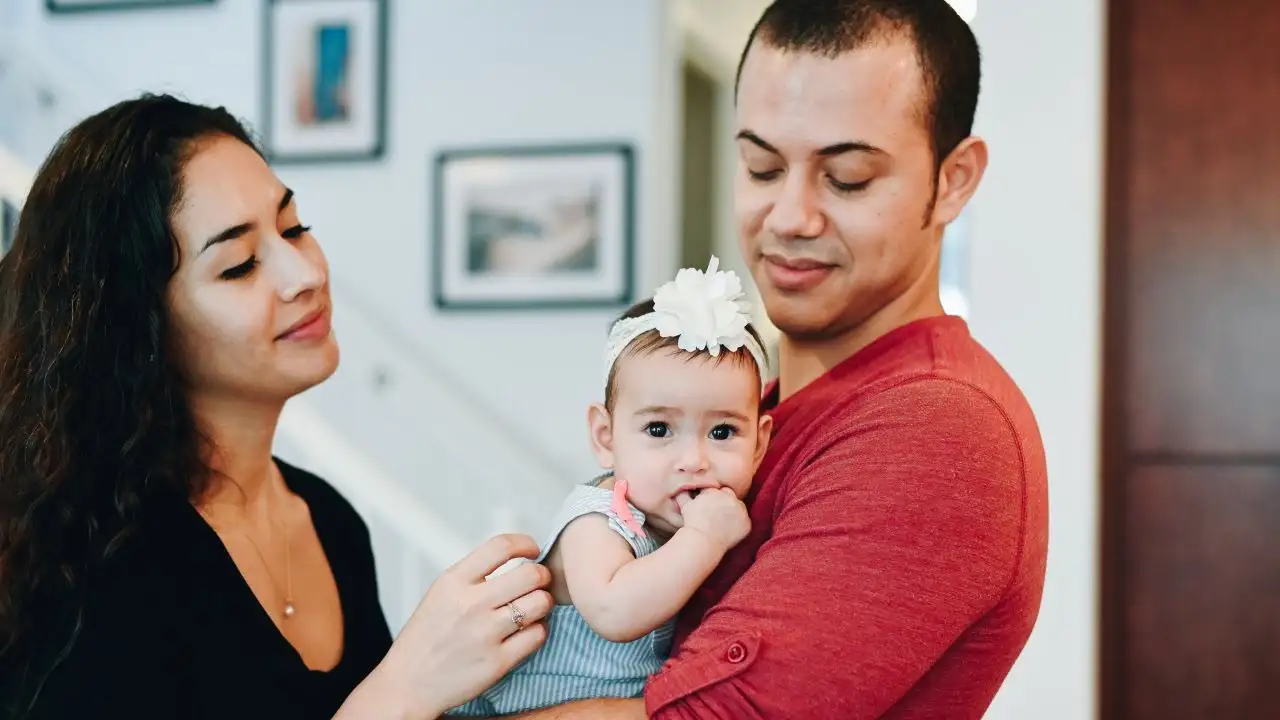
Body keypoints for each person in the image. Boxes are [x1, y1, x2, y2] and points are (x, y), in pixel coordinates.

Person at [502, 0, 1050, 718]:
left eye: (847, 177)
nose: (789, 217)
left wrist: (401, 699)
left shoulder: (937, 427)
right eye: (761, 167)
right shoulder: (745, 406)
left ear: (953, 180)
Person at [0, 94, 553, 719]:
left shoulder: (331, 521)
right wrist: (406, 689)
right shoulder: (96, 563)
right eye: (238, 266)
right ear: (140, 326)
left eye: (293, 228)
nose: (303, 275)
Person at [448, 257, 773, 716]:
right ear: (606, 438)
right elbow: (615, 613)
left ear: (760, 444)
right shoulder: (597, 521)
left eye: (722, 433)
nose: (694, 461)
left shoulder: (678, 517)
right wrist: (705, 539)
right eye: (659, 430)